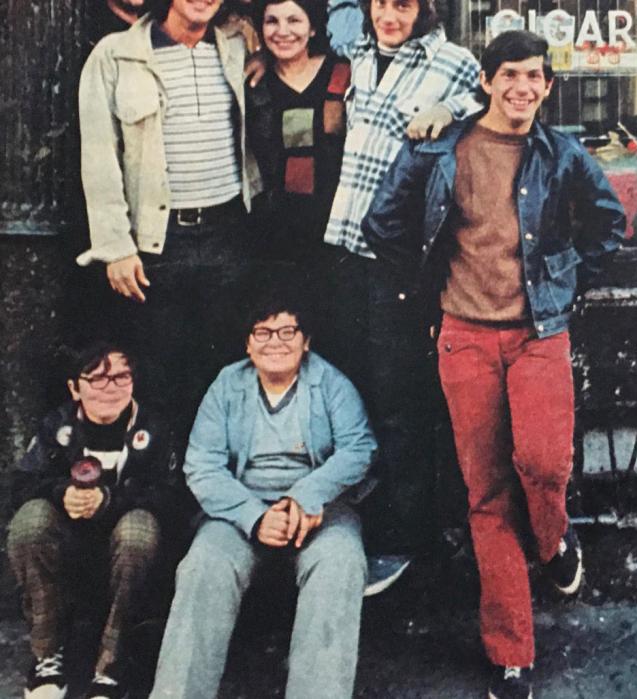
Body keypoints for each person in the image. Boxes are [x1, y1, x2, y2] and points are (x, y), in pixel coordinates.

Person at [363, 30, 626, 698]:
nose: (522, 88)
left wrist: (563, 281)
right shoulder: (440, 149)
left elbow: (609, 226)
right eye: (509, 75)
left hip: (539, 333)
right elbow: (383, 224)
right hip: (464, 337)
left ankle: (555, 543)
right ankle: (512, 653)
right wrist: (424, 290)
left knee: (544, 463)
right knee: (486, 494)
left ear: (546, 84)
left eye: (534, 77)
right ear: (485, 81)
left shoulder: (560, 154)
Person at [320, 0, 481, 595]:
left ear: (425, 9)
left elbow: (487, 107)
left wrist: (447, 109)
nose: (391, 15)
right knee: (350, 390)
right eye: (381, 3)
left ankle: (402, 538)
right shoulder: (356, 53)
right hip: (342, 246)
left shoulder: (453, 61)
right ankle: (354, 525)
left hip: (397, 256)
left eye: (404, 4)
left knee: (399, 402)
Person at [150, 292, 376, 699]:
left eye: (288, 331)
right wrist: (254, 516)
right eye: (263, 332)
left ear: (306, 341)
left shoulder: (331, 383)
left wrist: (306, 497)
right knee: (203, 567)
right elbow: (201, 464)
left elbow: (359, 450)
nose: (276, 342)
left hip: (320, 511)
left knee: (340, 564)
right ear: (248, 342)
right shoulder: (227, 385)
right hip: (239, 509)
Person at [77, 0, 262, 432]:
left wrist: (262, 53)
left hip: (229, 233)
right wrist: (116, 247)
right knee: (161, 373)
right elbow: (99, 155)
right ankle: (164, 492)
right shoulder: (116, 54)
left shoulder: (236, 46)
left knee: (227, 368)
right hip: (159, 243)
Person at [8, 344, 179, 699]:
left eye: (120, 376)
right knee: (29, 521)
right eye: (97, 378)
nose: (109, 387)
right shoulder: (57, 424)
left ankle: (111, 668)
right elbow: (21, 483)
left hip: (128, 547)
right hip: (68, 542)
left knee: (138, 530)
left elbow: (170, 494)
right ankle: (46, 658)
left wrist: (110, 500)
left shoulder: (153, 428)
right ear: (75, 387)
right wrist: (61, 493)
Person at [247, 0, 350, 262]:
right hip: (273, 234)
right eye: (272, 21)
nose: (282, 31)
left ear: (313, 27)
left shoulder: (343, 74)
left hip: (337, 229)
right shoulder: (256, 84)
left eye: (294, 20)